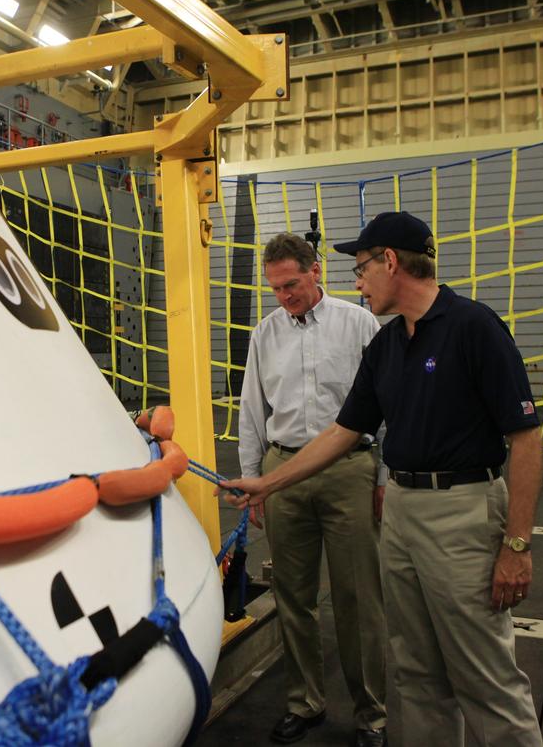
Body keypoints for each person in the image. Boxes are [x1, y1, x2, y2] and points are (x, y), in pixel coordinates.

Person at [222, 212, 543, 747]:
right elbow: (346, 429)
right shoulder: (389, 345)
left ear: (390, 262)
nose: (358, 280)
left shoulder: (473, 327)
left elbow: (526, 438)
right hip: (402, 512)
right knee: (416, 671)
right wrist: (265, 483)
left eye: (363, 267)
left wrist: (517, 544)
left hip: (462, 510)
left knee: (485, 677)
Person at [238, 233, 388, 746]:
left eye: (292, 284)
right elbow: (252, 411)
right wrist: (256, 481)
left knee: (358, 599)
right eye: (276, 288)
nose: (285, 296)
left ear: (316, 270)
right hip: (283, 472)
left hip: (349, 469)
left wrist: (383, 476)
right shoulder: (265, 334)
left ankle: (372, 713)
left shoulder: (360, 324)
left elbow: (386, 406)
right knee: (293, 597)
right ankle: (305, 703)